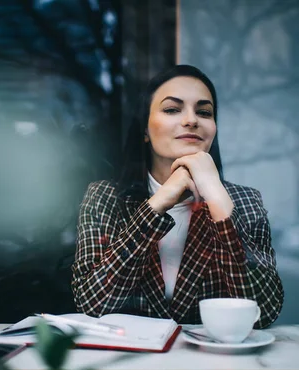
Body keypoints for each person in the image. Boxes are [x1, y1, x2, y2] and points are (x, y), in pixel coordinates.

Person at [71, 65, 284, 327]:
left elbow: (263, 312)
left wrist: (217, 199)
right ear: (145, 130)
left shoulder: (246, 202)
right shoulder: (105, 197)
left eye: (204, 112)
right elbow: (93, 303)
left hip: (209, 362)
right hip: (128, 363)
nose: (191, 120)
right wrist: (159, 202)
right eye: (172, 109)